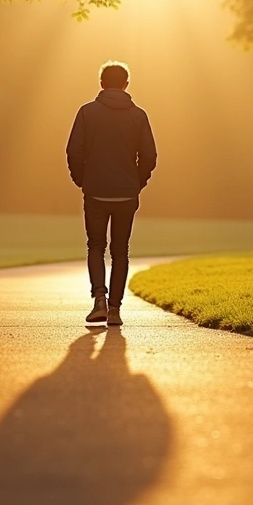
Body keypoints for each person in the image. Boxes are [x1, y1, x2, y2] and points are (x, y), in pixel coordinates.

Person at [66, 61, 157, 326]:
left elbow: (74, 150)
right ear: (126, 84)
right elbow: (149, 156)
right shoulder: (138, 116)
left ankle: (99, 301)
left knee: (95, 246)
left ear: (102, 84)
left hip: (95, 192)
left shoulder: (86, 112)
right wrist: (136, 182)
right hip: (126, 193)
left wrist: (82, 180)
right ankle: (115, 309)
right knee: (120, 251)